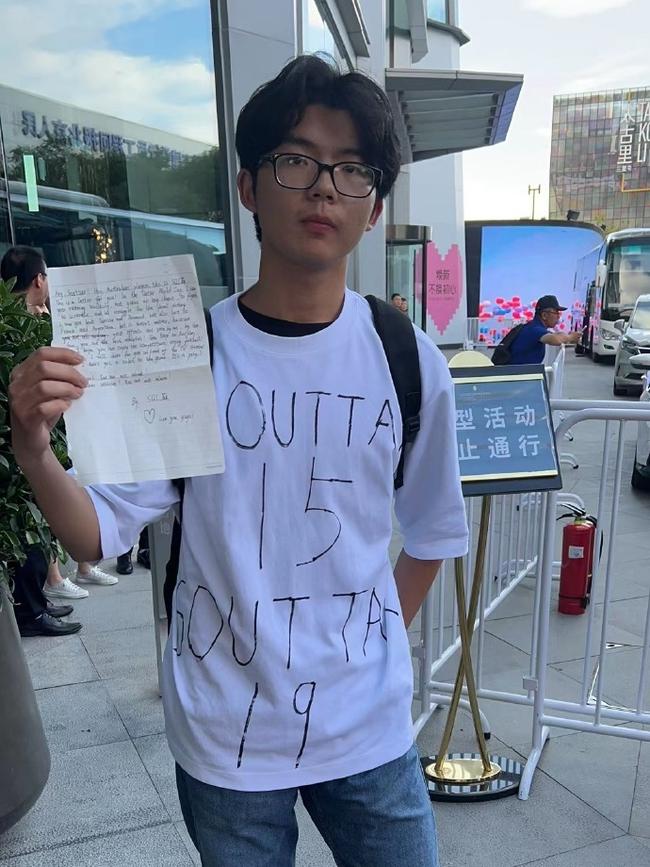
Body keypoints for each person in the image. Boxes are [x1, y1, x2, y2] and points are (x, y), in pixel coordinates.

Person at [9, 56, 468, 866]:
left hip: (368, 726)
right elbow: (95, 536)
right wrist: (34, 448)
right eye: (296, 160)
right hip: (227, 737)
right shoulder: (188, 354)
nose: (325, 187)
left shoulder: (407, 357)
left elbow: (431, 531)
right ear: (250, 186)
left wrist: (370, 646)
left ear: (375, 205)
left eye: (352, 169)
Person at [1, 246, 117, 608]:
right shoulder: (33, 327)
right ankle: (55, 577)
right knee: (45, 501)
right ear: (39, 279)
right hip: (42, 438)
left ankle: (73, 569)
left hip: (49, 438)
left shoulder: (32, 319)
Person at [508, 294, 581, 365]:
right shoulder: (535, 329)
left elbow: (554, 335)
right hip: (520, 375)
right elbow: (555, 339)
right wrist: (570, 337)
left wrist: (566, 337)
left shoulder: (533, 326)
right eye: (556, 313)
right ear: (544, 315)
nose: (558, 316)